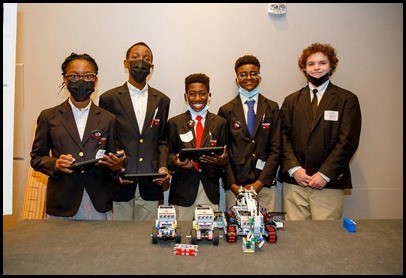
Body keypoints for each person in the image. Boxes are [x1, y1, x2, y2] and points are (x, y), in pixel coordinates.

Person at [30, 52, 126, 220]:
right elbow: (37, 158)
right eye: (74, 76)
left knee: (99, 246)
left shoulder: (108, 118)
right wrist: (56, 164)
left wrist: (116, 166)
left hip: (98, 200)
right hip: (62, 202)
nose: (81, 81)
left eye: (87, 76)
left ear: (95, 80)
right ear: (65, 79)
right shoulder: (48, 116)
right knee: (60, 247)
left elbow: (112, 161)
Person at [278, 42, 362, 220]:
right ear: (304, 68)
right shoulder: (291, 101)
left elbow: (347, 142)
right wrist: (295, 169)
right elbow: (282, 138)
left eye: (322, 63)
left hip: (328, 184)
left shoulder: (347, 100)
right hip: (295, 183)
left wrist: (324, 174)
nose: (316, 68)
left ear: (331, 66)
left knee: (326, 241)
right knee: (296, 239)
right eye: (311, 64)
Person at [99, 42, 171, 221]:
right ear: (126, 63)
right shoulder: (109, 98)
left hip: (151, 183)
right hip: (121, 182)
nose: (141, 62)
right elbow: (106, 140)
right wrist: (115, 172)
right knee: (118, 242)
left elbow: (162, 140)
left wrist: (163, 167)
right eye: (136, 57)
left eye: (146, 59)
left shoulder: (162, 100)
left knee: (147, 241)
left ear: (151, 67)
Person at [217, 55, 281, 211]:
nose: (248, 77)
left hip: (265, 185)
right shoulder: (226, 110)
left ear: (259, 77)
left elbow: (276, 148)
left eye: (253, 73)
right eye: (243, 74)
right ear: (237, 79)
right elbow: (222, 153)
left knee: (265, 229)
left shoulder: (272, 108)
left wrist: (259, 184)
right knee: (237, 229)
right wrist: (232, 185)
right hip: (236, 187)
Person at [166, 73, 229, 221]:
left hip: (209, 191)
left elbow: (226, 158)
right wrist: (175, 162)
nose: (197, 98)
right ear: (185, 96)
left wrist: (221, 162)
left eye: (202, 93)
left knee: (209, 235)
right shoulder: (174, 123)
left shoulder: (220, 123)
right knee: (181, 236)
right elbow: (167, 155)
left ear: (209, 95)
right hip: (182, 192)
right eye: (192, 94)